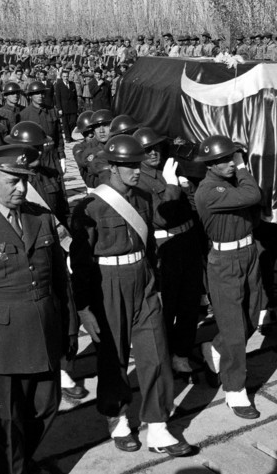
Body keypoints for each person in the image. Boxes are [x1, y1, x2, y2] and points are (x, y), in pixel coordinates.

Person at [70, 134, 193, 456]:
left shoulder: (141, 197)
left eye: (136, 164)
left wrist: (154, 281)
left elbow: (150, 240)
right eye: (127, 166)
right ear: (111, 167)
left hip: (143, 279)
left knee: (156, 351)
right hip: (107, 282)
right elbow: (80, 263)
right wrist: (83, 306)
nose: (135, 171)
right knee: (113, 355)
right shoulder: (89, 207)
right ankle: (117, 417)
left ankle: (157, 425)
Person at [0, 144, 77, 474]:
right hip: (2, 343)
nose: (22, 188)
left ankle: (20, 460)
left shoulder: (39, 218)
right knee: (6, 420)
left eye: (26, 180)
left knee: (47, 405)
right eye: (13, 180)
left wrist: (69, 328)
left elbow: (59, 280)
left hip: (44, 332)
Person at [194, 135, 263, 419]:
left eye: (231, 157)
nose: (230, 164)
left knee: (251, 316)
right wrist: (244, 166)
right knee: (235, 328)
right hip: (224, 262)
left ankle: (216, 348)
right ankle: (235, 390)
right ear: (210, 164)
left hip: (248, 253)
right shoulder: (209, 190)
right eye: (223, 160)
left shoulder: (230, 184)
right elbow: (253, 195)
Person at [134, 127, 203, 376]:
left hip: (187, 242)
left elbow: (194, 206)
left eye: (155, 147)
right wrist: (173, 185)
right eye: (146, 150)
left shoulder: (170, 168)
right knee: (167, 305)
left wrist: (187, 188)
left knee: (190, 302)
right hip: (165, 247)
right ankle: (161, 355)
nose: (153, 152)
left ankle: (181, 353)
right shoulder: (140, 180)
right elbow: (163, 217)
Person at [20, 80, 67, 177]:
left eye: (42, 93)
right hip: (36, 157)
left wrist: (62, 157)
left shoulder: (52, 110)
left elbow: (58, 136)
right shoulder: (24, 115)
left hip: (53, 155)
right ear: (30, 96)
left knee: (58, 186)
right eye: (37, 93)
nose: (40, 96)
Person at [55, 68, 78, 143]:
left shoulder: (72, 84)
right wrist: (59, 109)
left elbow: (75, 96)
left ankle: (71, 135)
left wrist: (76, 107)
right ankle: (68, 138)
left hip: (72, 107)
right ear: (62, 77)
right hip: (64, 107)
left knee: (72, 122)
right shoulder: (59, 85)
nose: (66, 78)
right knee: (65, 124)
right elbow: (57, 98)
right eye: (64, 76)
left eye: (67, 76)